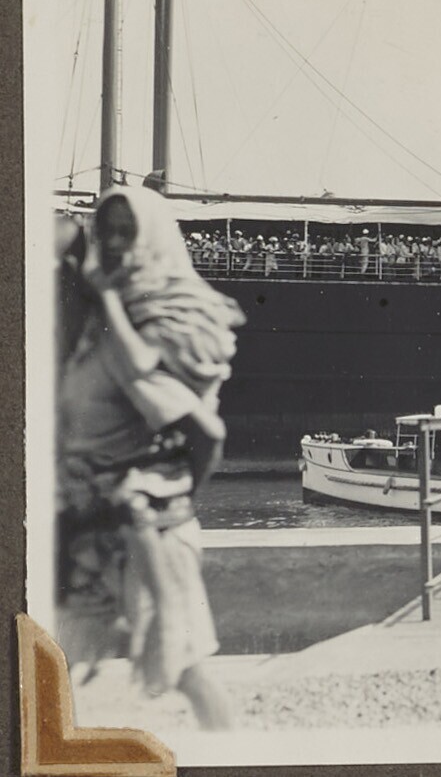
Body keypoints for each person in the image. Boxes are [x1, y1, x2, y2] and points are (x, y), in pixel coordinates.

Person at [57, 186, 244, 729]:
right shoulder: (98, 310)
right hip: (86, 522)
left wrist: (174, 499)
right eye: (106, 231)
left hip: (148, 525)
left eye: (127, 231)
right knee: (55, 663)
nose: (114, 244)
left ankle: (237, 756)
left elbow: (202, 430)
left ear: (154, 235)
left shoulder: (175, 317)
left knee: (188, 670)